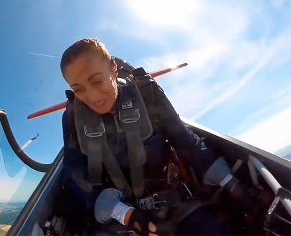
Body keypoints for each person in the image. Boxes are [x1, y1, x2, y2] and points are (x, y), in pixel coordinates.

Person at [59, 38, 252, 236]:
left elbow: (186, 142)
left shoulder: (146, 93)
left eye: (97, 80)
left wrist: (233, 185)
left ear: (114, 68)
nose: (93, 97)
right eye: (78, 89)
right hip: (119, 220)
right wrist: (128, 216)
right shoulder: (73, 118)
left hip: (173, 206)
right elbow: (75, 176)